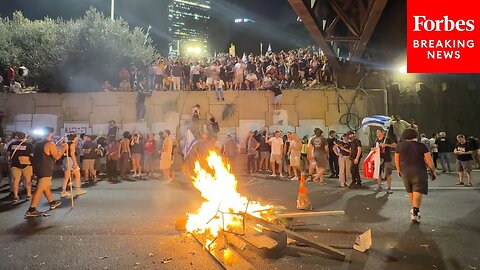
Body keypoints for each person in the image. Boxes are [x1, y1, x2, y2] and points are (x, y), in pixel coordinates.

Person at [395, 129, 436, 223]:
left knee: (410, 191)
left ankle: (414, 210)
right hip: (419, 171)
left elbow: (397, 159)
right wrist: (433, 171)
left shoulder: (400, 145)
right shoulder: (422, 146)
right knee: (418, 190)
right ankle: (415, 212)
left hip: (405, 171)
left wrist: (398, 170)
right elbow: (429, 161)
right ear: (415, 135)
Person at [25, 127, 67, 217]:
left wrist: (58, 147)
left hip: (39, 168)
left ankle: (52, 202)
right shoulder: (50, 144)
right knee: (40, 189)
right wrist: (64, 148)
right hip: (46, 169)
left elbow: (47, 153)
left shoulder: (38, 143)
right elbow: (57, 157)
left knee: (46, 187)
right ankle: (31, 209)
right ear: (51, 133)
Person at [7, 132, 33, 202]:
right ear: (25, 137)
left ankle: (15, 196)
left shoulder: (12, 144)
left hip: (15, 164)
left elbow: (8, 154)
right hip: (26, 164)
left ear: (17, 137)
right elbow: (32, 155)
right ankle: (28, 195)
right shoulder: (28, 145)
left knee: (16, 180)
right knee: (28, 180)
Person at [60, 133, 86, 198]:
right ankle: (65, 191)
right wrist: (75, 164)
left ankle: (74, 189)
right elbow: (72, 154)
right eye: (76, 137)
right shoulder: (72, 144)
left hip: (65, 159)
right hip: (70, 160)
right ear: (74, 138)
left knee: (73, 174)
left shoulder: (65, 144)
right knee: (70, 175)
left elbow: (60, 146)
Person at [373, 130, 397, 194]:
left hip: (387, 158)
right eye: (377, 132)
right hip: (378, 158)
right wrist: (373, 149)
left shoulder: (388, 139)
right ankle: (379, 186)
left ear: (382, 133)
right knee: (378, 173)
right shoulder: (376, 140)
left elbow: (395, 145)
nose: (377, 134)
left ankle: (389, 187)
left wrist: (386, 145)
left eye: (378, 132)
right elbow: (373, 147)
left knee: (388, 174)